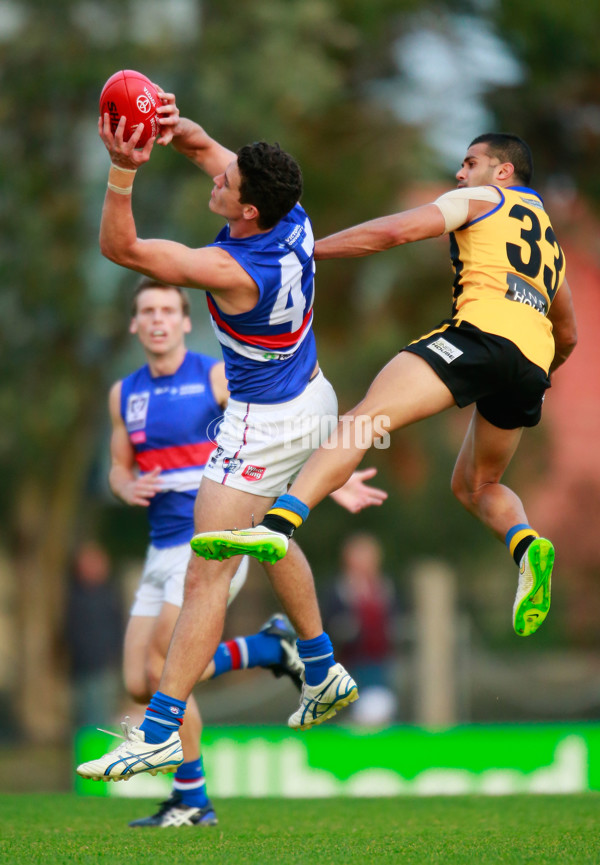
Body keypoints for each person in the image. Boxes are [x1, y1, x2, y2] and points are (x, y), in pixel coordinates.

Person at [77, 87, 387, 786]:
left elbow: (118, 246)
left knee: (204, 572)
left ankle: (158, 731)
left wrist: (121, 166)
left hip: (263, 424)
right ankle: (320, 664)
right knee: (271, 537)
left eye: (227, 182)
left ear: (248, 210)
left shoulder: (231, 269)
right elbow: (198, 144)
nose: (216, 176)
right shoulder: (290, 212)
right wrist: (162, 122)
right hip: (313, 394)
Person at [192, 133, 578, 641]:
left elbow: (396, 232)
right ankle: (526, 544)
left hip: (481, 336)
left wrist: (310, 251)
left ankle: (278, 524)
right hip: (532, 363)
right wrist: (535, 375)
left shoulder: (483, 199)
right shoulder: (550, 243)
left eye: (471, 162)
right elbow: (568, 331)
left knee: (362, 421)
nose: (460, 174)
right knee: (477, 485)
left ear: (502, 172)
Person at [106, 276, 385, 826]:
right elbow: (120, 465)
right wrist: (124, 485)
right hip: (158, 547)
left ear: (186, 322)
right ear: (135, 324)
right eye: (147, 311)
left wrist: (336, 477)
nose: (158, 319)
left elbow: (281, 433)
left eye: (168, 309)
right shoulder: (124, 393)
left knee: (166, 659)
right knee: (139, 681)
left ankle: (191, 798)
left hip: (212, 544)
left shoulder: (213, 376)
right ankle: (267, 649)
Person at [322, 532, 400, 725]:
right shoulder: (337, 589)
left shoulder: (385, 587)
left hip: (378, 662)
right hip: (346, 663)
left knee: (378, 709)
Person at [65, 541, 123, 729]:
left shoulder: (109, 594)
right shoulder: (75, 597)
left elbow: (117, 627)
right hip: (83, 668)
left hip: (105, 665)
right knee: (87, 716)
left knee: (104, 716)